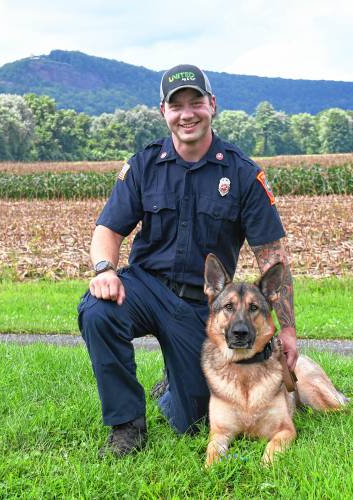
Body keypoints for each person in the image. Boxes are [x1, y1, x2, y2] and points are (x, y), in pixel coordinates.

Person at [78, 64, 299, 457]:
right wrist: (105, 270)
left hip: (202, 308)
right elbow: (107, 230)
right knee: (98, 311)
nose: (187, 113)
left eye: (195, 102)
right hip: (144, 287)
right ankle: (127, 426)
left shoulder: (242, 174)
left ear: (212, 105)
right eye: (176, 105)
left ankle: (172, 384)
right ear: (163, 111)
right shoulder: (144, 165)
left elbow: (273, 256)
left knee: (195, 420)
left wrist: (288, 331)